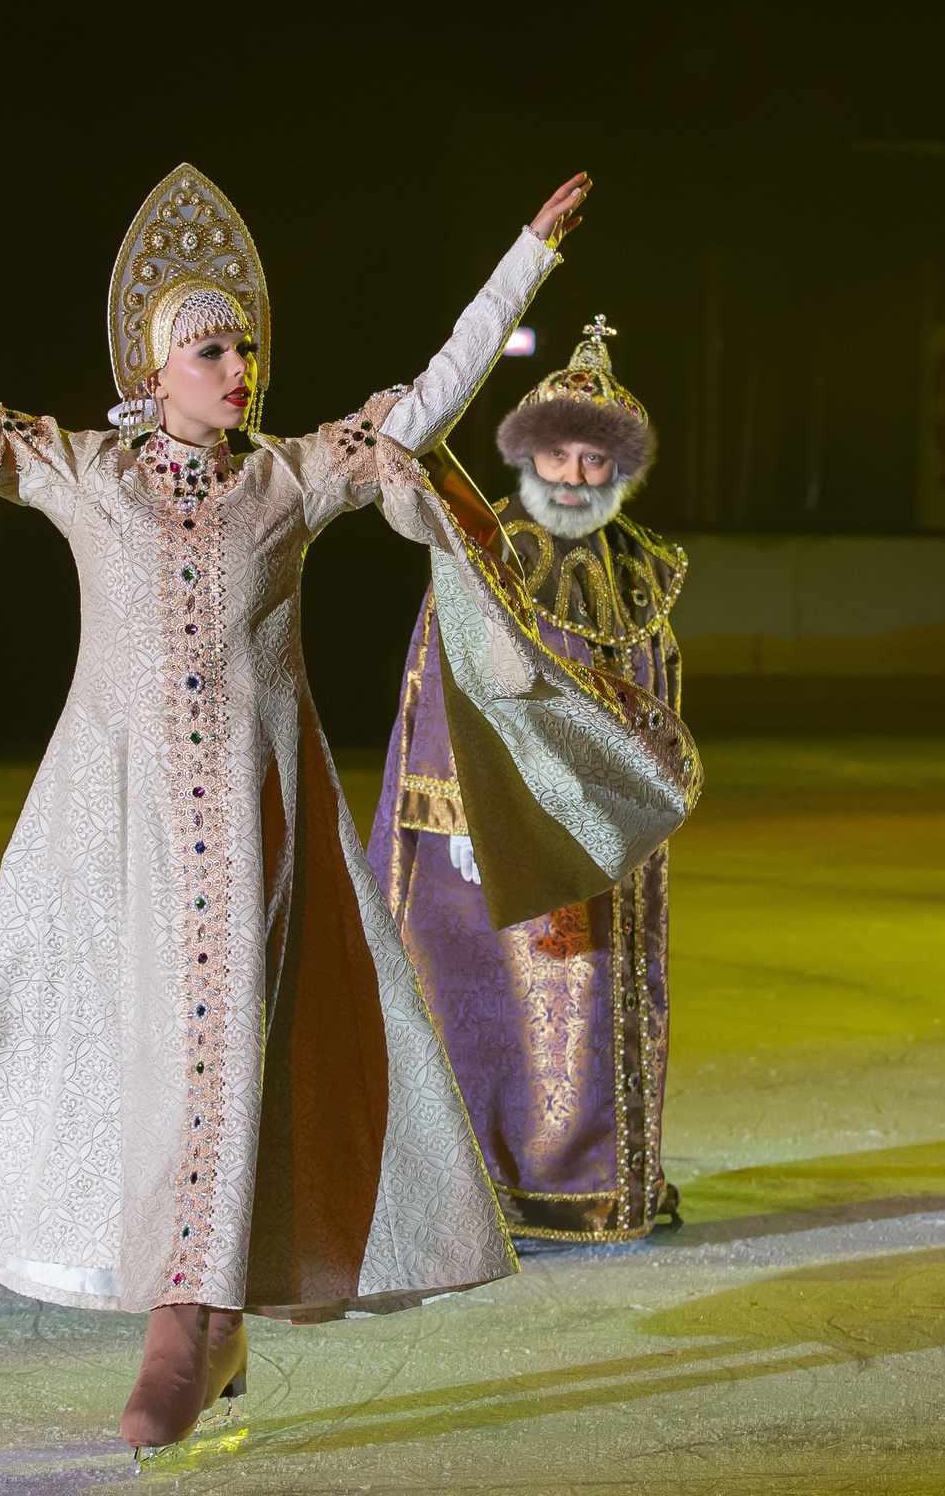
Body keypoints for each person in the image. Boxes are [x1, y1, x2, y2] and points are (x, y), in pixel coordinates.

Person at [0, 149, 699, 1456]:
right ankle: (193, 1317)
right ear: (151, 371)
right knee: (141, 1061)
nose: (239, 370)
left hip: (263, 818)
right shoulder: (83, 473)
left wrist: (528, 255)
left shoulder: (295, 474)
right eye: (212, 351)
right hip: (110, 828)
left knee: (235, 1062)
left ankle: (195, 1318)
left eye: (248, 352)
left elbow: (429, 401)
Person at [368, 317, 688, 1243]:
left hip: (596, 839)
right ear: (528, 456)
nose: (573, 476)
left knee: (592, 1015)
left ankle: (586, 1181)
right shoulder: (483, 552)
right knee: (479, 1008)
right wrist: (464, 810)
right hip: (483, 836)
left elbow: (655, 702)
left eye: (595, 460)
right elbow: (439, 684)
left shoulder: (639, 569)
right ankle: (468, 1186)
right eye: (558, 454)